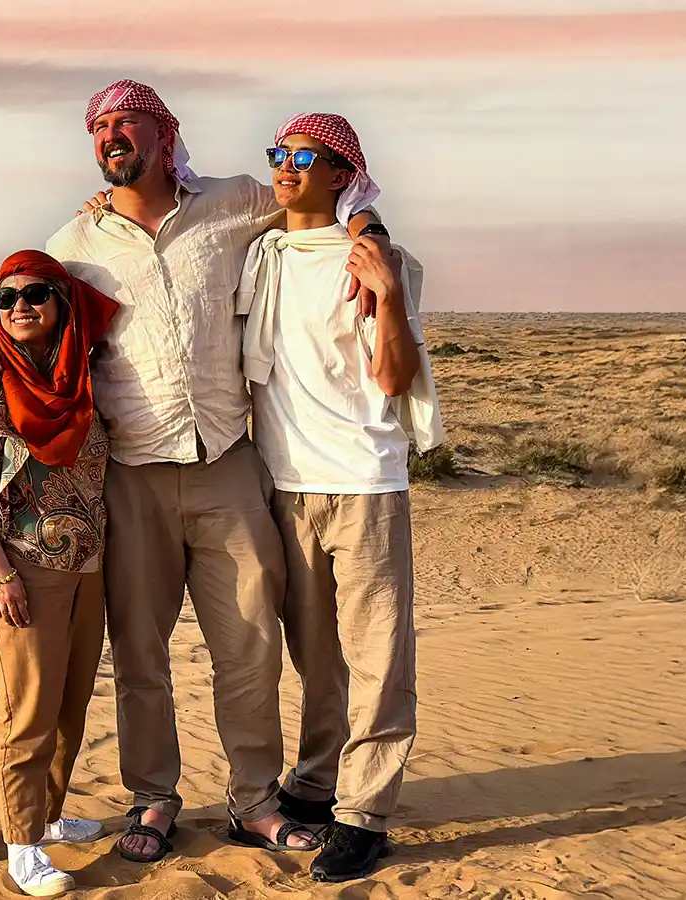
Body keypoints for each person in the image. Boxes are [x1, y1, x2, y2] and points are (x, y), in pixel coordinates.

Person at [0, 79, 393, 862]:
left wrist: (368, 231)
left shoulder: (233, 202)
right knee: (141, 653)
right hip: (131, 475)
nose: (110, 135)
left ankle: (255, 800)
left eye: (126, 122)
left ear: (165, 133)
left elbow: (326, 186)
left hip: (228, 468)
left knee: (251, 644)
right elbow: (15, 295)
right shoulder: (77, 244)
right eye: (98, 127)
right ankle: (153, 799)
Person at [236, 113, 443, 881]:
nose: (284, 167)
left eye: (302, 156)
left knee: (379, 656)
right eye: (278, 154)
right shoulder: (263, 253)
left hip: (364, 483)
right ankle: (318, 784)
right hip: (284, 483)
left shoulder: (384, 263)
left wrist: (387, 293)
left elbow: (394, 378)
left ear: (339, 172)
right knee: (313, 654)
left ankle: (366, 813)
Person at [0, 250, 120, 896]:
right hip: (19, 570)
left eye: (36, 294)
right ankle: (21, 846)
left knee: (70, 704)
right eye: (6, 298)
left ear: (62, 302)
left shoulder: (85, 376)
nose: (21, 307)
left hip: (88, 565)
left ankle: (45, 818)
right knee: (27, 710)